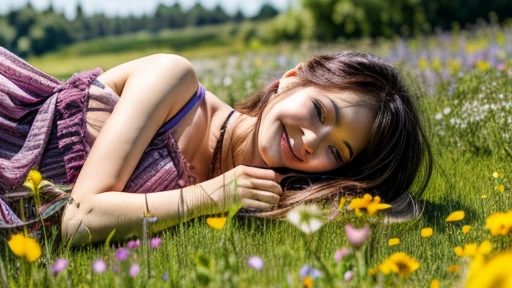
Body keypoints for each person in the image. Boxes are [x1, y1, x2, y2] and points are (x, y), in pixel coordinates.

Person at [0, 47, 432, 245]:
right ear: (293, 78)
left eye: (337, 152)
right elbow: (78, 218)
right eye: (321, 112)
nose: (310, 141)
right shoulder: (173, 81)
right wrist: (210, 195)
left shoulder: (266, 195)